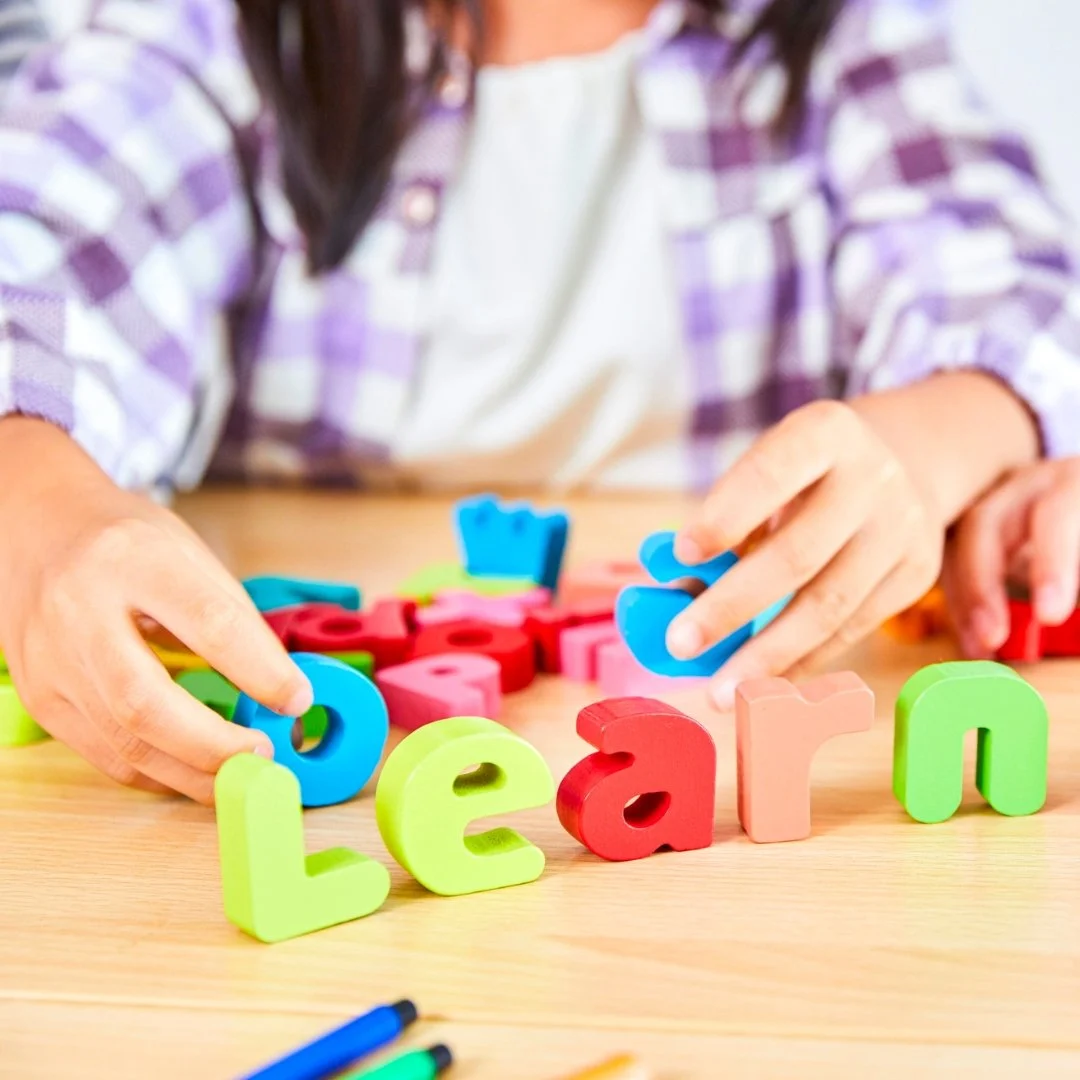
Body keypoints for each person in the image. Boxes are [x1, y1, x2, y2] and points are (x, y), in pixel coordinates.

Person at [0, 0, 1078, 803]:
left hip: (719, 723)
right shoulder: (213, 35)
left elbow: (992, 264)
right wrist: (36, 500)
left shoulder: (838, 34)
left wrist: (944, 434)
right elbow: (32, 235)